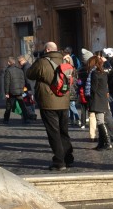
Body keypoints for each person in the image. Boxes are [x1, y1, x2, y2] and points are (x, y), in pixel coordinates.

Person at [27, 41, 76, 170]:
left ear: (47, 50)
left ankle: (59, 162)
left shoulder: (42, 62)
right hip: (64, 101)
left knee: (53, 132)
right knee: (63, 131)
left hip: (48, 103)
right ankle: (69, 158)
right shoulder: (65, 61)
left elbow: (29, 74)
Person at [87, 56, 113, 151]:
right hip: (102, 99)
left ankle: (108, 143)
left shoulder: (95, 74)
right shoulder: (103, 73)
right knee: (100, 120)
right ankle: (101, 143)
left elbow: (93, 88)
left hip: (97, 100)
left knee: (100, 121)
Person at [2, 56, 32, 125]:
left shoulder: (8, 70)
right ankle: (26, 119)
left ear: (9, 63)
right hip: (19, 91)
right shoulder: (20, 70)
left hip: (11, 91)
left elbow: (7, 82)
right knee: (22, 105)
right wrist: (21, 89)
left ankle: (6, 119)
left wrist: (6, 92)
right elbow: (23, 80)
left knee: (8, 106)